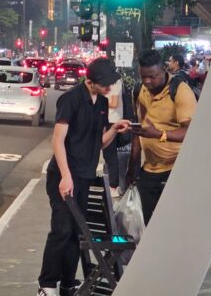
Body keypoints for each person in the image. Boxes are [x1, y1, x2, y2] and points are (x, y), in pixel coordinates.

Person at [38, 58, 131, 296]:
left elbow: (97, 143)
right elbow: (57, 140)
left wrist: (114, 128)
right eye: (105, 83)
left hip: (85, 175)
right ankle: (47, 285)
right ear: (89, 81)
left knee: (76, 233)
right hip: (63, 175)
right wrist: (65, 176)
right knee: (61, 230)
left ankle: (68, 284)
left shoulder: (100, 102)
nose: (110, 87)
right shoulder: (69, 100)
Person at [127, 49, 197, 224]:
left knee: (172, 223)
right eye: (143, 76)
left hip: (176, 170)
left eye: (153, 76)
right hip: (149, 170)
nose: (148, 81)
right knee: (146, 224)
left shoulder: (180, 91)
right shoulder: (138, 90)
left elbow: (193, 132)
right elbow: (139, 132)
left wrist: (159, 134)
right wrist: (133, 164)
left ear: (164, 69)